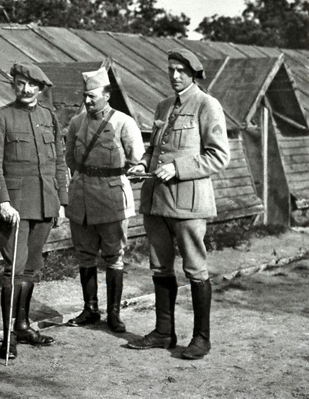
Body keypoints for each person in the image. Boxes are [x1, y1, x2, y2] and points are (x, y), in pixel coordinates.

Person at [126, 50, 230, 360]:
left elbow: (219, 156)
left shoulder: (207, 105)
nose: (174, 76)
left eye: (181, 71)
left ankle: (201, 338)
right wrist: (141, 163)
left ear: (194, 74)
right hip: (156, 201)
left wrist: (178, 168)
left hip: (188, 204)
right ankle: (163, 332)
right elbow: (155, 149)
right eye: (171, 69)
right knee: (159, 266)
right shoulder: (163, 105)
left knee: (195, 269)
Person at [0, 62, 68, 360]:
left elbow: (59, 163)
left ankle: (22, 325)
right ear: (13, 84)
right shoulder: (1, 117)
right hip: (15, 207)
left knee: (32, 268)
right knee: (14, 269)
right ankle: (7, 338)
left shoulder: (49, 117)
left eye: (32, 84)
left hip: (45, 202)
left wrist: (62, 202)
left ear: (41, 88)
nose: (26, 89)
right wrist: (3, 201)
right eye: (20, 83)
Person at [64, 67, 144, 333]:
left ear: (107, 95)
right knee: (85, 255)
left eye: (93, 96)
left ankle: (114, 314)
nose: (88, 101)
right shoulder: (76, 123)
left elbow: (138, 161)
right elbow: (70, 160)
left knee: (113, 256)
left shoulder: (124, 122)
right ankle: (90, 310)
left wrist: (138, 170)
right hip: (82, 197)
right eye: (85, 96)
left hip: (111, 199)